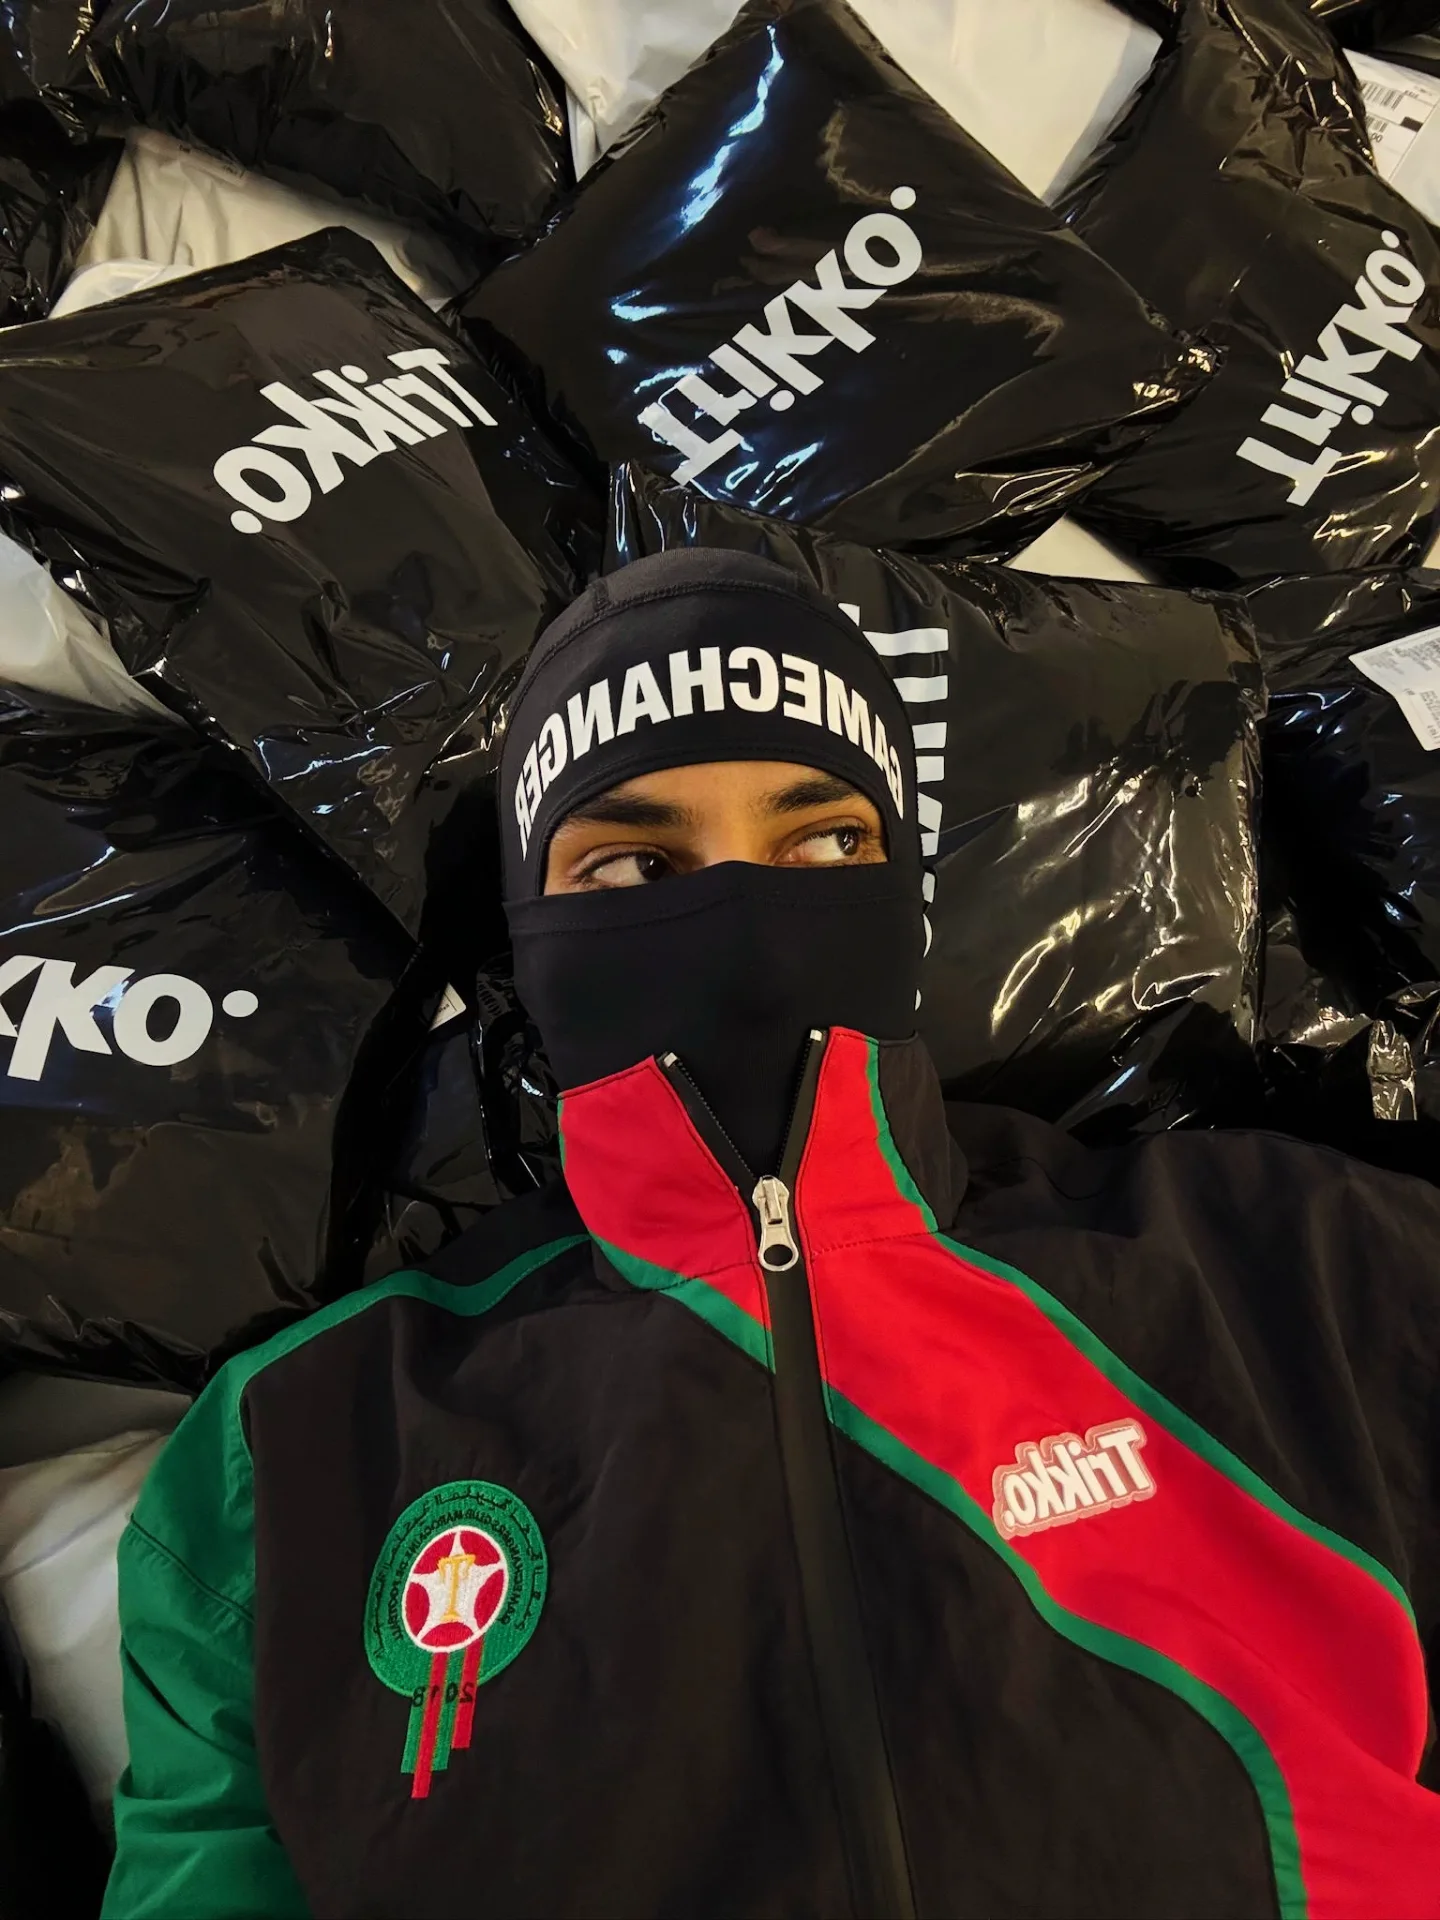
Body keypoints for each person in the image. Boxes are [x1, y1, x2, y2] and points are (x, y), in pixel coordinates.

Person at [103, 549, 1440, 1920]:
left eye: (824, 843)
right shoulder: (294, 1449)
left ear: (906, 890)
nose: (742, 910)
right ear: (529, 939)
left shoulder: (1307, 1267)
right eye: (635, 861)